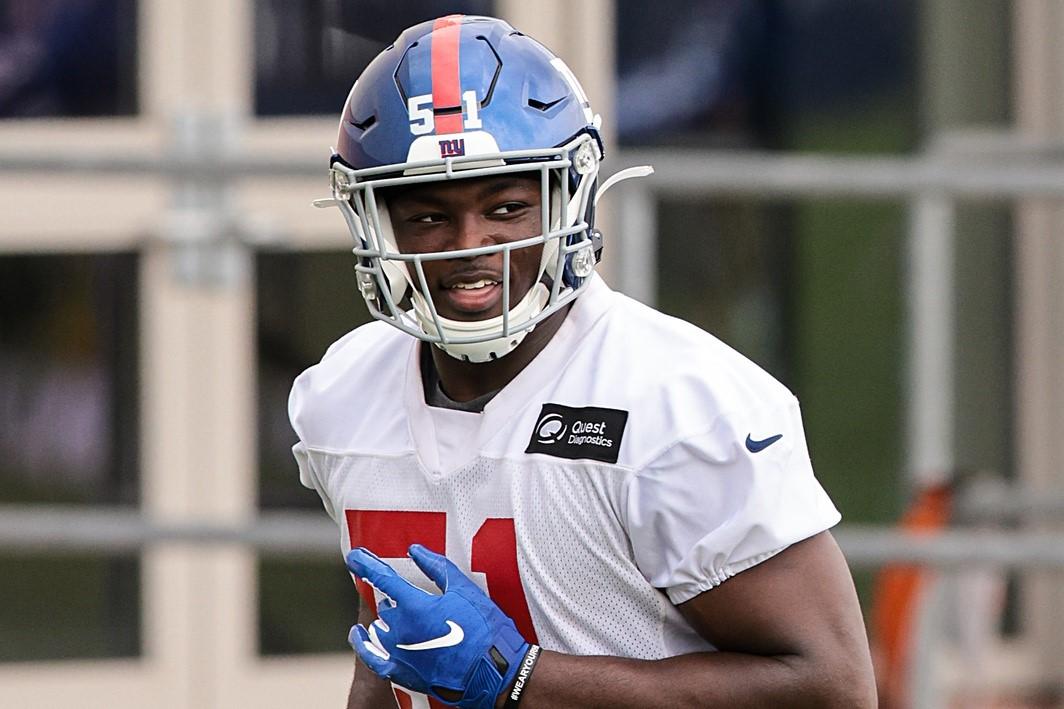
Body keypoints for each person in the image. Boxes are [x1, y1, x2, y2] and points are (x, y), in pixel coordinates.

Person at [291, 14, 876, 709]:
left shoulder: (675, 402)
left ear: (567, 197)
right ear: (373, 220)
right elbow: (390, 650)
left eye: (506, 205)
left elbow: (830, 685)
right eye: (426, 217)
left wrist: (521, 678)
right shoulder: (343, 394)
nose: (468, 244)